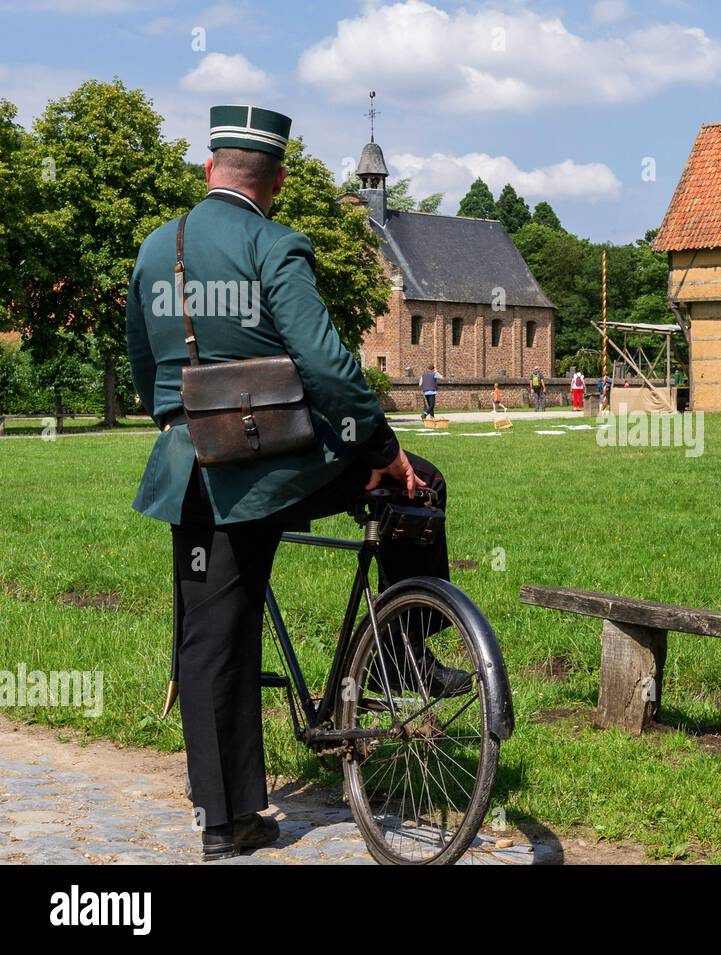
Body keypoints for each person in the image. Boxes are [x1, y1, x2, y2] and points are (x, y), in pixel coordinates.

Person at [125, 104, 467, 862]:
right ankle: (401, 652)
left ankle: (226, 821)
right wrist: (382, 449)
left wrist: (179, 423)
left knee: (212, 638)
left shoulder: (155, 248)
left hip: (190, 469)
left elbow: (145, 368)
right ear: (275, 180)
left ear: (208, 168)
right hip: (275, 466)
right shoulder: (274, 245)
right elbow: (329, 367)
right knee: (422, 485)